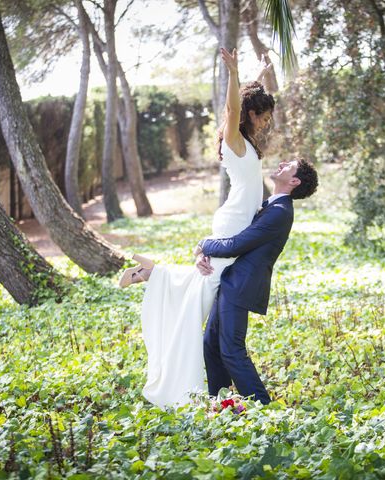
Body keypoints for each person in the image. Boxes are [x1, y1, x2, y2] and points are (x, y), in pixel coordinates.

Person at [118, 48, 274, 408]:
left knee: (203, 287)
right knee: (199, 300)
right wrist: (233, 73)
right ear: (251, 115)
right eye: (264, 116)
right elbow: (236, 108)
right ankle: (153, 277)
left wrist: (260, 76)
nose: (266, 123)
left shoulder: (244, 141)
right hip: (234, 221)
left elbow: (246, 104)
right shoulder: (234, 138)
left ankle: (152, 273)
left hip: (234, 220)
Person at [195, 158, 318, 404]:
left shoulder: (280, 212)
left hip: (242, 285)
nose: (281, 164)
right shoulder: (269, 205)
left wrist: (202, 244)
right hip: (231, 280)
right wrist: (205, 252)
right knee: (211, 345)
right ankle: (221, 403)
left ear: (294, 181)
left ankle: (263, 407)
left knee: (231, 350)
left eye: (289, 166)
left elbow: (237, 244)